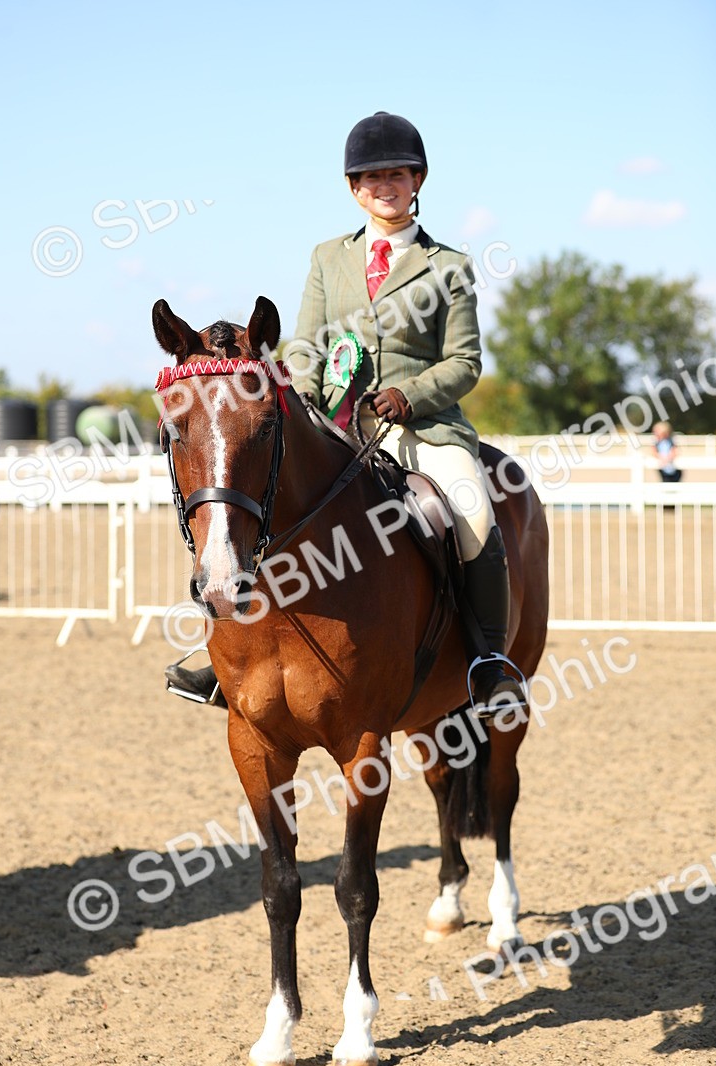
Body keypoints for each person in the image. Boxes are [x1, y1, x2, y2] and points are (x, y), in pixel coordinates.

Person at [166, 111, 526, 722]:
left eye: (395, 174)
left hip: (423, 428)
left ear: (417, 180)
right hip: (335, 425)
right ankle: (230, 662)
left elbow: (465, 361)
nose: (383, 185)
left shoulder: (449, 265)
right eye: (370, 177)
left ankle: (487, 660)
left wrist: (409, 396)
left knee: (471, 508)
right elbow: (305, 350)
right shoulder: (328, 257)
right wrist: (299, 407)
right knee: (247, 501)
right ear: (353, 188)